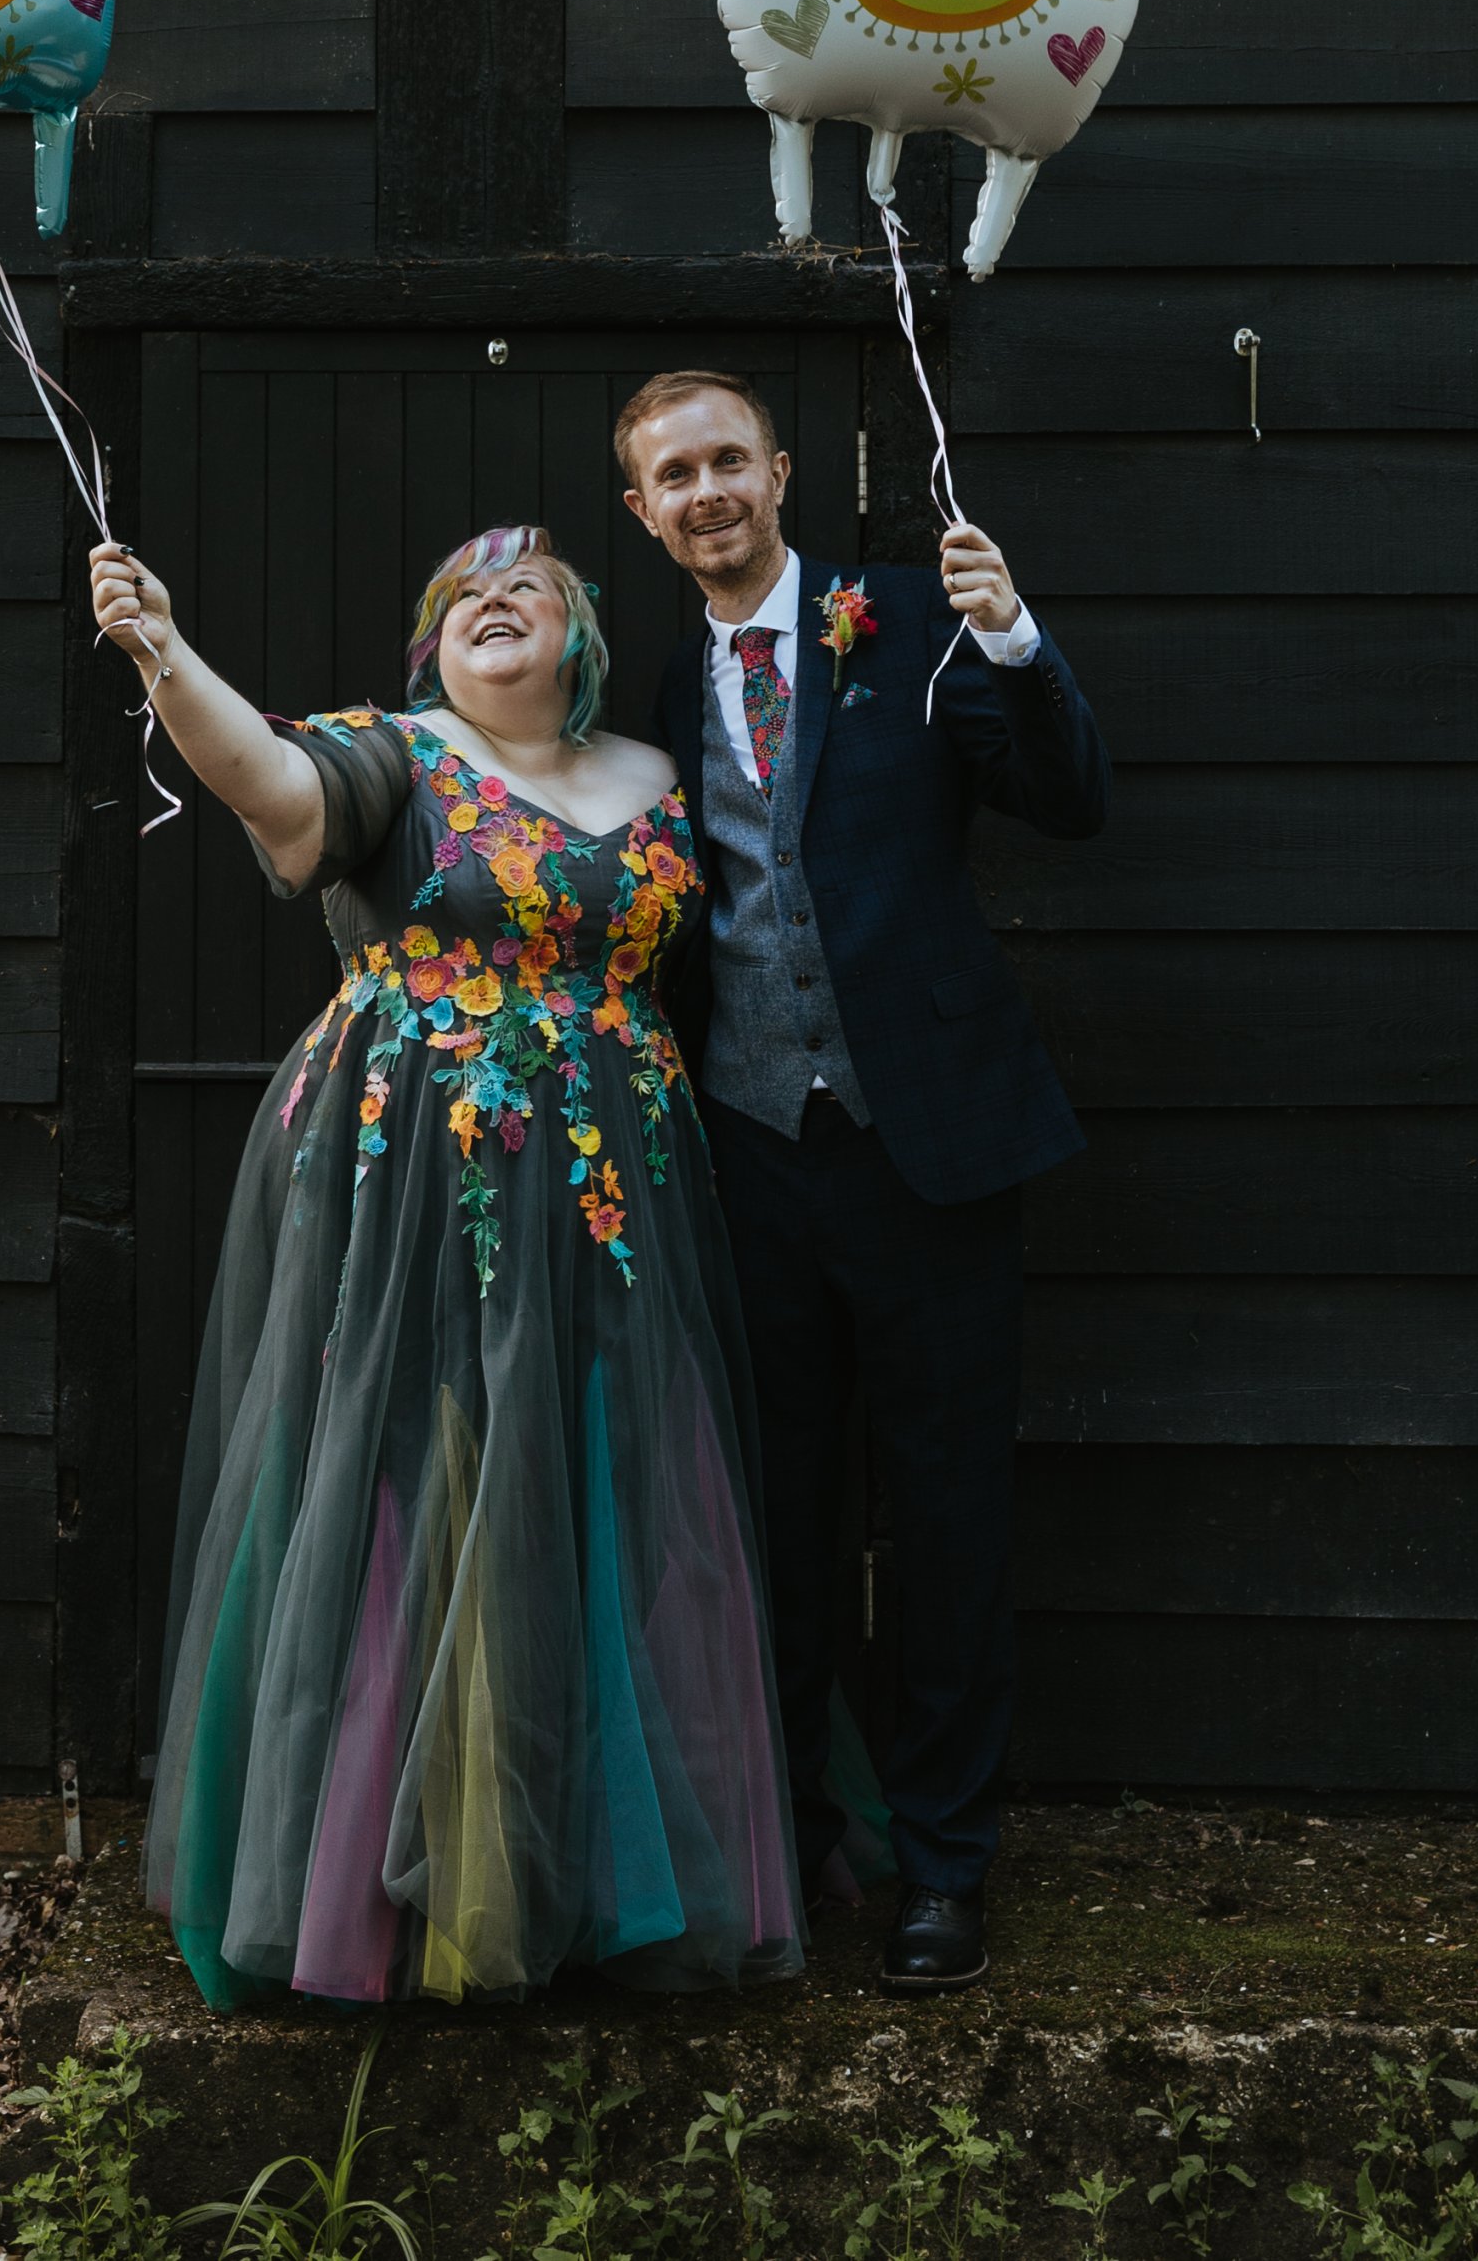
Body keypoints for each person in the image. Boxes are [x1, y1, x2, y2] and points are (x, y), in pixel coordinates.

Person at [89, 522, 804, 2009]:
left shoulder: (657, 777)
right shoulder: (386, 756)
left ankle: (601, 1878)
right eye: (460, 593)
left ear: (580, 637)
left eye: (524, 584)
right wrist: (164, 651)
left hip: (620, 1184)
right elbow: (263, 785)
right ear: (431, 644)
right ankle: (378, 1884)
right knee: (416, 1464)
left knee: (600, 1478)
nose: (490, 599)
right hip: (415, 1170)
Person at [620, 369, 1110, 1996]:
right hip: (745, 1152)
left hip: (937, 1149)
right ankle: (796, 1842)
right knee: (776, 1519)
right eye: (671, 475)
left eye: (725, 462)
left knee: (950, 1513)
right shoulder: (632, 693)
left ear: (776, 473)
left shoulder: (907, 616)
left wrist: (1020, 640)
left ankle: (944, 1868)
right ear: (644, 510)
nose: (705, 492)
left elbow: (1065, 799)